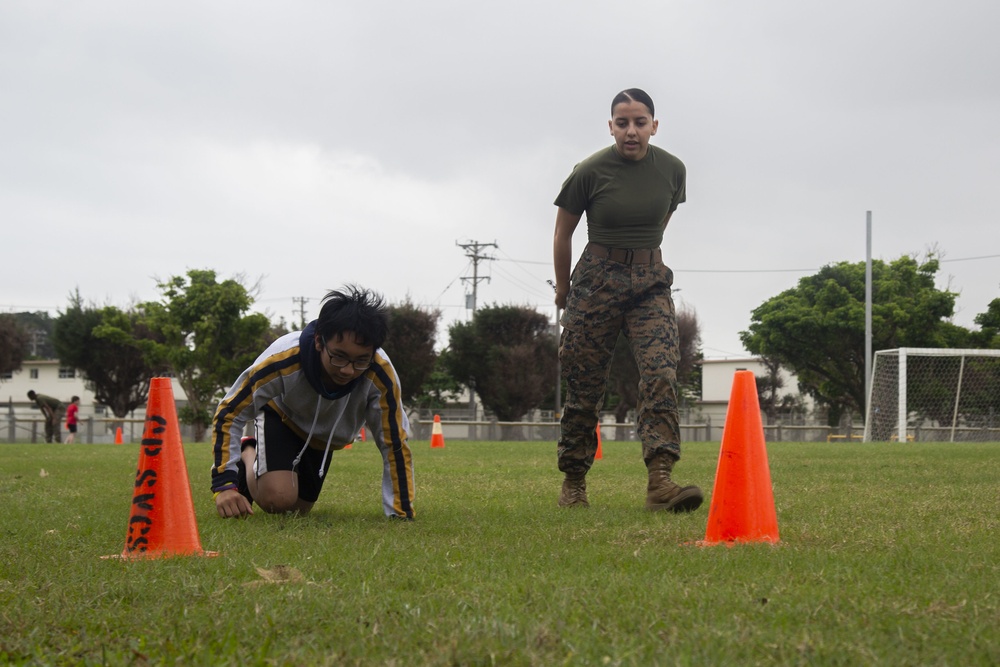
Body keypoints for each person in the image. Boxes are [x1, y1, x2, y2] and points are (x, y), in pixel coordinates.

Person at [552, 88, 703, 512]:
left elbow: (661, 221)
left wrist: (642, 262)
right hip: (595, 282)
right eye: (622, 123)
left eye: (640, 123)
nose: (631, 131)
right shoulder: (590, 171)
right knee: (584, 385)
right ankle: (574, 481)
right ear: (611, 127)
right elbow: (562, 233)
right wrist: (564, 291)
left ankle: (661, 479)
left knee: (661, 373)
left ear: (655, 126)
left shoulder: (673, 170)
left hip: (650, 282)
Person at [210, 285, 415, 520]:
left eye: (361, 360)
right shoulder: (283, 359)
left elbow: (394, 443)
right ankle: (250, 452)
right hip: (281, 416)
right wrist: (224, 485)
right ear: (319, 341)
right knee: (278, 499)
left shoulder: (380, 374)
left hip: (322, 438)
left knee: (297, 510)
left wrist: (400, 512)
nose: (348, 370)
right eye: (338, 356)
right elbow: (230, 412)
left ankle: (259, 464)